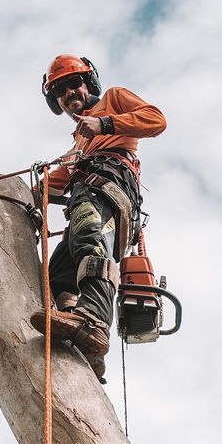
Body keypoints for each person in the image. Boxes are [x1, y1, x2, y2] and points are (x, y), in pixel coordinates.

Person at [30, 55, 167, 382]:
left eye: (73, 83)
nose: (69, 93)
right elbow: (57, 181)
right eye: (60, 90)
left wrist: (105, 124)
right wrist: (33, 194)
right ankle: (78, 332)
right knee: (58, 273)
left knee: (90, 240)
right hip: (88, 189)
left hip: (106, 186)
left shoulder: (112, 100)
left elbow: (156, 119)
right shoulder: (78, 143)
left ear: (87, 82)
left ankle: (93, 321)